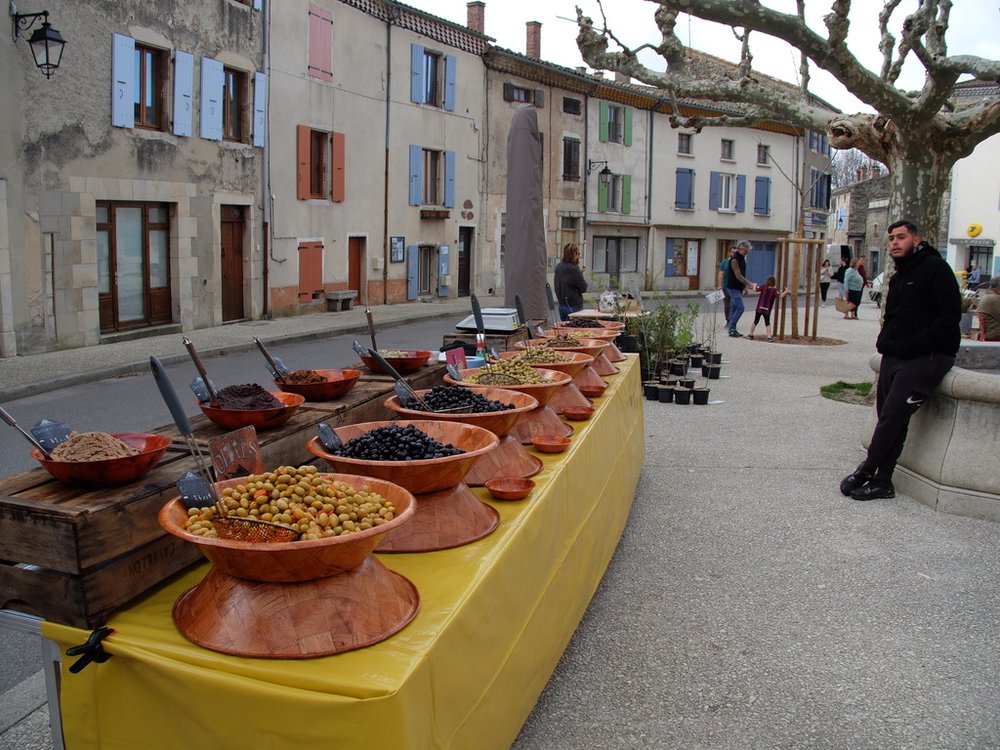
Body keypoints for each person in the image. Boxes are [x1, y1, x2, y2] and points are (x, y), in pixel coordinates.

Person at [839, 220, 961, 501]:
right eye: (891, 238)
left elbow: (949, 315)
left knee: (892, 417)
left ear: (916, 239)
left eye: (901, 237)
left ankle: (867, 470)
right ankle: (883, 481)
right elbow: (894, 317)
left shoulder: (936, 269)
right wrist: (886, 343)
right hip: (894, 356)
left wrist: (919, 344)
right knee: (891, 419)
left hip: (926, 357)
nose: (894, 242)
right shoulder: (898, 275)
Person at [725, 240, 756, 337]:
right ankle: (732, 328)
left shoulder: (742, 258)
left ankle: (732, 329)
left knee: (734, 307)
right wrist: (749, 283)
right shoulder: (734, 260)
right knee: (740, 307)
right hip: (732, 287)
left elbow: (742, 274)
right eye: (746, 250)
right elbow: (738, 275)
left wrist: (744, 287)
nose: (747, 252)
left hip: (738, 287)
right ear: (741, 249)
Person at [746, 275, 788, 341]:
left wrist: (754, 285)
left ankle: (750, 335)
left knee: (755, 321)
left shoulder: (763, 287)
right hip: (767, 310)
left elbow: (754, 290)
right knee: (767, 323)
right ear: (774, 283)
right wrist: (786, 291)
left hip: (759, 309)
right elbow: (780, 296)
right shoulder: (774, 290)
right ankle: (769, 337)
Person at [554, 242, 587, 321]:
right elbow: (584, 288)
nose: (579, 256)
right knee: (574, 331)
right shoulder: (573, 269)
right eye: (578, 254)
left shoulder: (559, 267)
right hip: (573, 306)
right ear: (574, 254)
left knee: (565, 330)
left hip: (562, 305)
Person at [976, 274, 1000, 340]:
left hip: (990, 332)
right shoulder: (994, 299)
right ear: (998, 288)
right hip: (995, 333)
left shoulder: (987, 296)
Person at [718, 247, 736, 324]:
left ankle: (732, 320)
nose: (734, 254)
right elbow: (721, 274)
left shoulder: (738, 262)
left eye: (735, 253)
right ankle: (728, 320)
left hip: (736, 287)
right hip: (726, 287)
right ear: (729, 253)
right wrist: (719, 285)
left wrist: (744, 287)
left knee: (734, 304)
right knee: (727, 305)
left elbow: (742, 275)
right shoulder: (724, 263)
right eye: (732, 252)